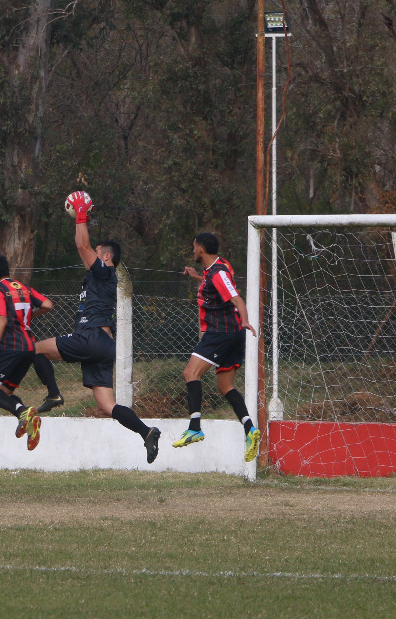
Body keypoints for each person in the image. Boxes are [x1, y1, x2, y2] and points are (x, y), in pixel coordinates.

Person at [34, 191, 162, 464]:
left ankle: (54, 395)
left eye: (96, 252)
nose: (90, 253)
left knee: (35, 349)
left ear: (104, 257)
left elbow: (82, 246)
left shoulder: (104, 271)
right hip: (102, 346)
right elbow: (85, 250)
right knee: (106, 406)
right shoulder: (99, 276)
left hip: (91, 337)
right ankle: (146, 432)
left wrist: (81, 215)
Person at [174, 232, 260, 462]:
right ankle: (250, 429)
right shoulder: (221, 266)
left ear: (200, 249)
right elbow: (216, 285)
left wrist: (245, 320)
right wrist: (197, 277)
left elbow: (236, 298)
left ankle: (194, 427)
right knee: (225, 385)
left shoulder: (218, 273)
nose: (193, 251)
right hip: (233, 334)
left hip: (221, 332)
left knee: (190, 373)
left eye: (194, 247)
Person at [0, 254, 51, 450]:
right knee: (3, 393)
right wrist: (26, 315)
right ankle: (28, 420)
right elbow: (47, 305)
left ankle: (23, 411)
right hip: (29, 348)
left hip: (9, 346)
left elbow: (1, 319)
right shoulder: (22, 288)